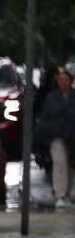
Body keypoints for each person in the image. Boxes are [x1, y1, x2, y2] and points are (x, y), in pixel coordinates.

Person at [37, 65, 75, 208]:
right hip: (56, 136)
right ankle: (60, 194)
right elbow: (46, 117)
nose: (63, 82)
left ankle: (70, 193)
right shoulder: (51, 97)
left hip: (72, 137)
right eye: (61, 80)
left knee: (71, 165)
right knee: (59, 163)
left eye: (66, 79)